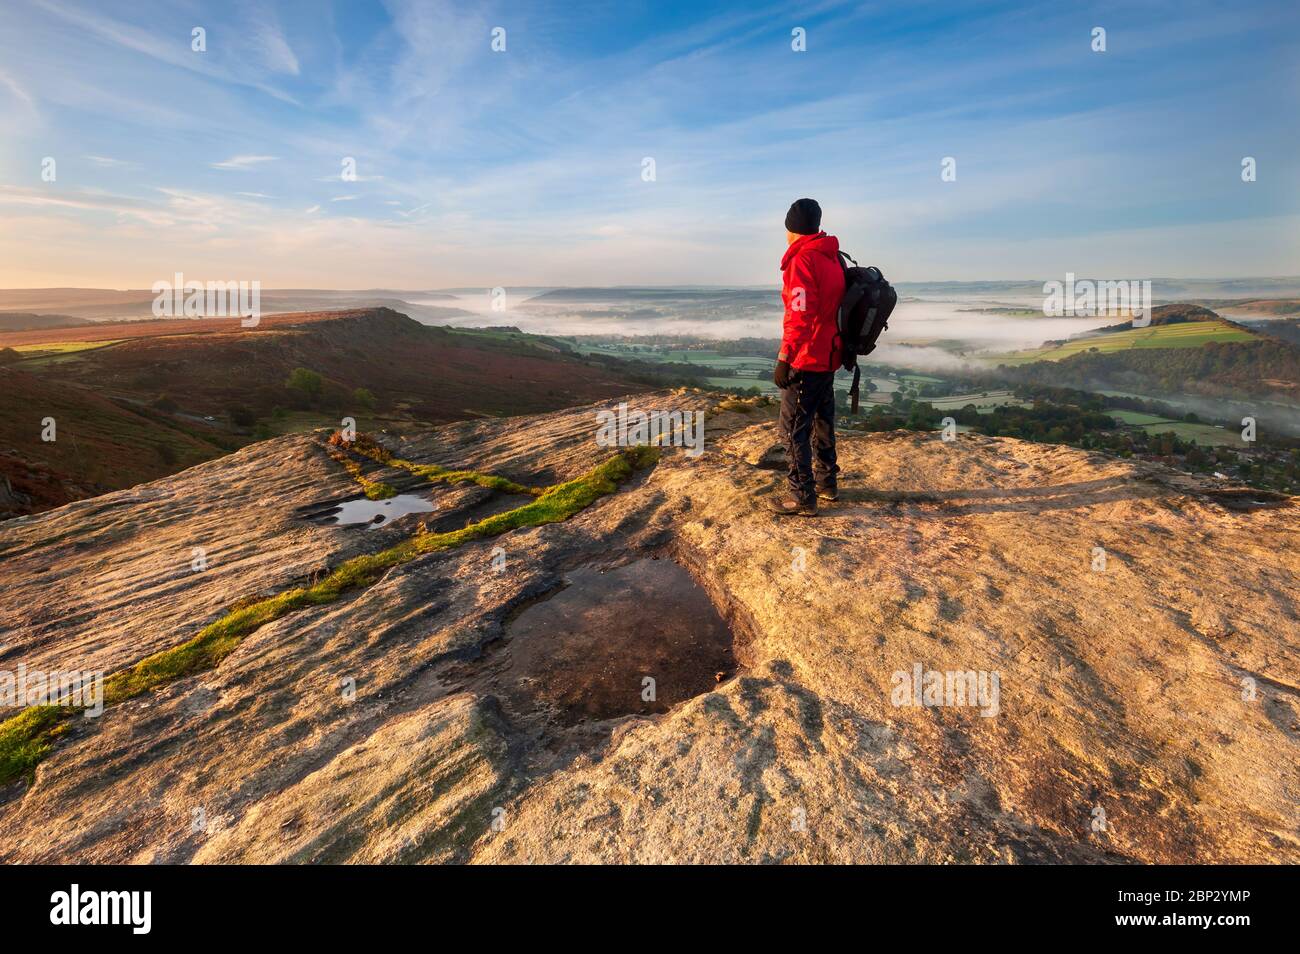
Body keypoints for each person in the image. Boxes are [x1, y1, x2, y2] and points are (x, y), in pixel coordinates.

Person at [770, 198, 845, 516]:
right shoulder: (832, 257)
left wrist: (785, 356)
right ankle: (827, 484)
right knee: (822, 420)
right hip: (830, 354)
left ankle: (803, 497)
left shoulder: (803, 260)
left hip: (807, 357)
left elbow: (800, 315)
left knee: (793, 430)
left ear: (792, 229)